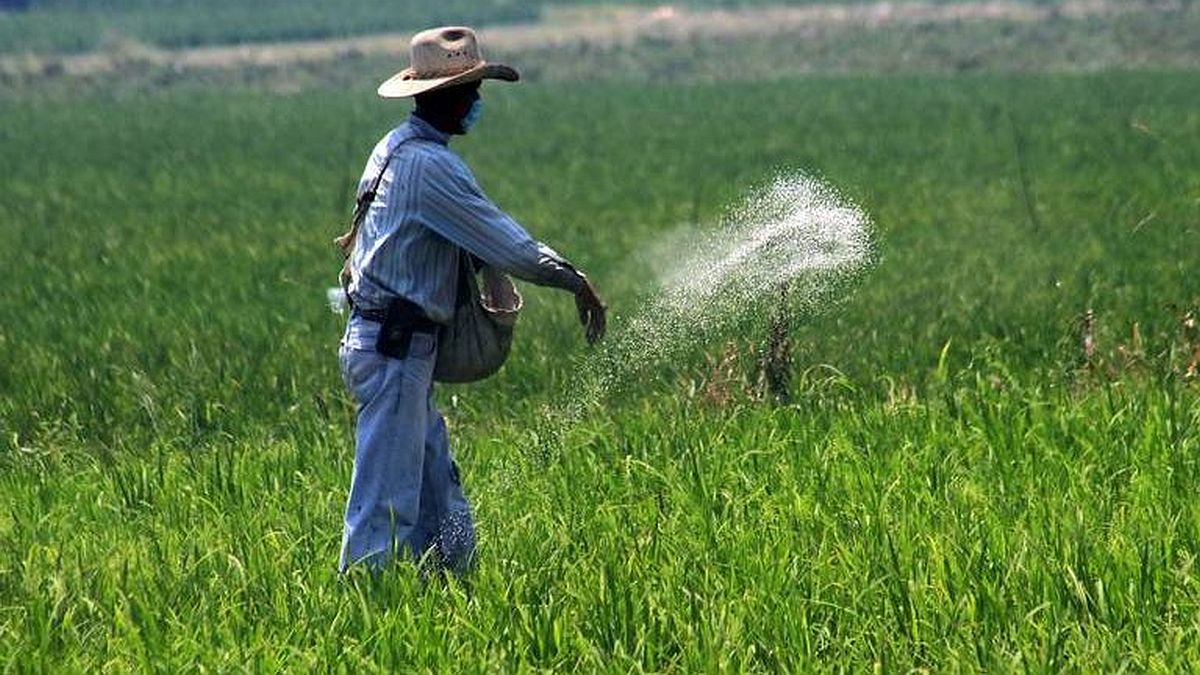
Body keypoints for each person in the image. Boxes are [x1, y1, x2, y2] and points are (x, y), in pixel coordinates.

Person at [336, 26, 607, 573]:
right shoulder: (429, 166)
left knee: (443, 508)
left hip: (400, 348)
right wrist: (576, 281)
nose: (476, 100)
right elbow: (511, 245)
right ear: (438, 96)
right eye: (469, 89)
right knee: (385, 509)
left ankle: (451, 598)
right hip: (394, 349)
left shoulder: (395, 149)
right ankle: (365, 606)